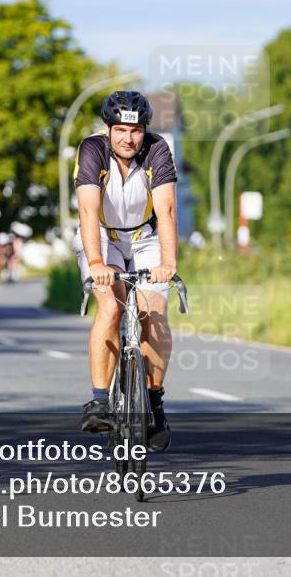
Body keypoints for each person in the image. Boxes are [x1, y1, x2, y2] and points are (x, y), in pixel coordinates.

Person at [73, 90, 178, 452]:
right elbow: (87, 211)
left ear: (145, 130)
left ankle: (154, 401)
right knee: (111, 307)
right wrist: (97, 264)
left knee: (155, 314)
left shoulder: (157, 150)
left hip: (145, 237)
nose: (128, 138)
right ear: (108, 129)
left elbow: (166, 210)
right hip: (101, 236)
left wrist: (168, 263)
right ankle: (100, 401)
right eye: (120, 130)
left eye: (135, 131)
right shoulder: (91, 149)